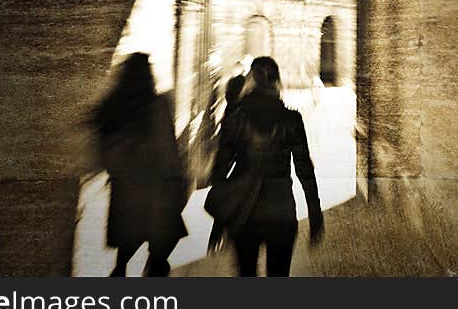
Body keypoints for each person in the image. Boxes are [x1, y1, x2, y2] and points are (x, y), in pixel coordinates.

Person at [208, 56, 324, 277]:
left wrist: (219, 221)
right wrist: (315, 213)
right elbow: (304, 170)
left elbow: (220, 170)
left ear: (251, 81)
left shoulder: (235, 117)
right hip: (280, 211)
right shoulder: (292, 119)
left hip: (244, 213)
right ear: (276, 81)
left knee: (246, 274)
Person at [93, 52, 189, 276]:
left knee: (129, 237)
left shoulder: (113, 106)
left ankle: (120, 272)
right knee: (162, 237)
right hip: (155, 187)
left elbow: (101, 147)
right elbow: (166, 149)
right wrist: (178, 179)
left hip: (125, 187)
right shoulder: (157, 106)